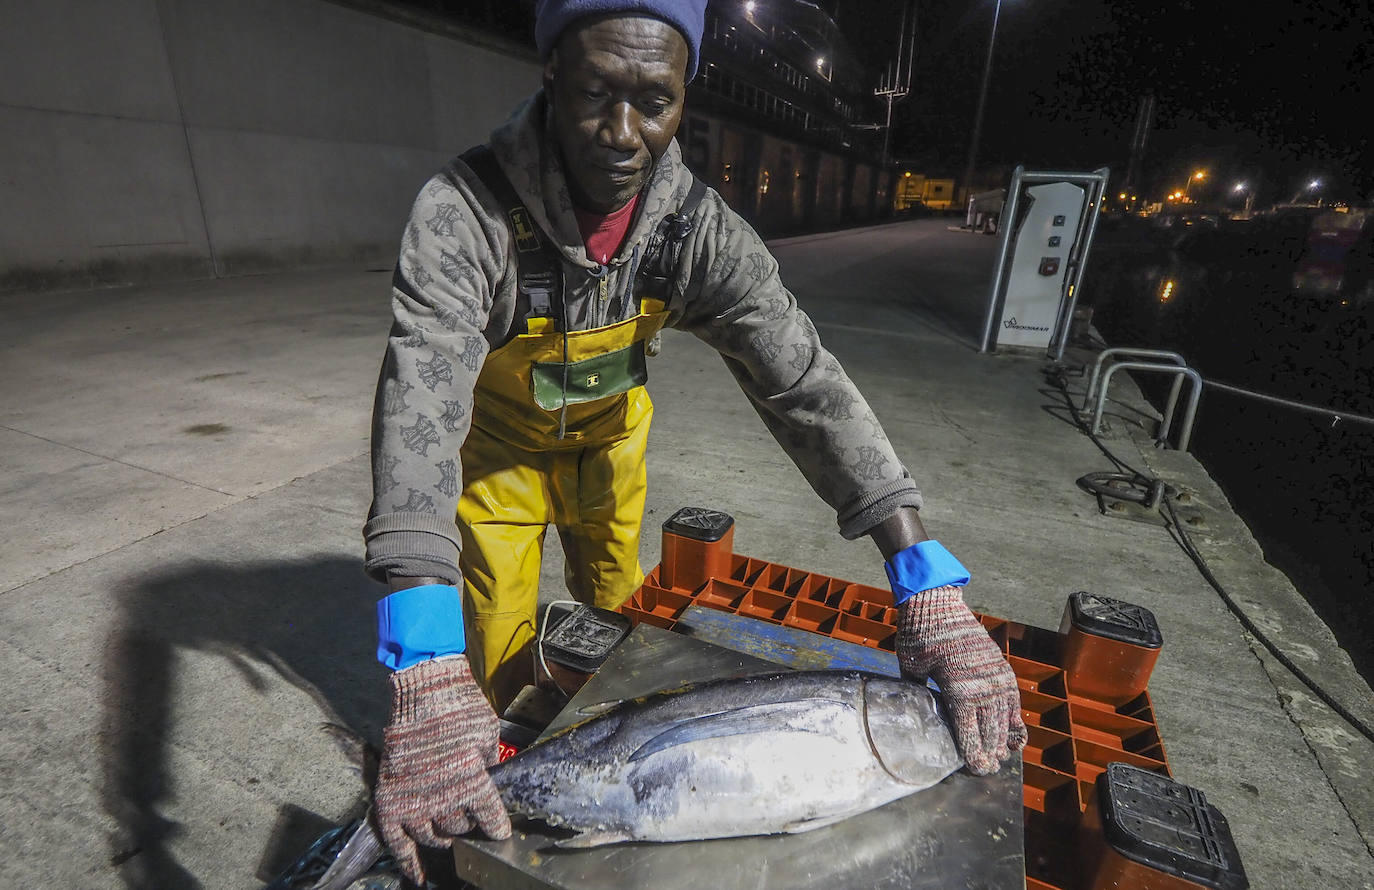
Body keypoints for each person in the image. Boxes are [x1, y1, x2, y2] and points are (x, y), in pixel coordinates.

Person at [362, 0, 1027, 882]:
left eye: (656, 100)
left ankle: (606, 771)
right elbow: (419, 414)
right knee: (489, 648)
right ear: (552, 73)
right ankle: (488, 789)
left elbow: (805, 384)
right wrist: (422, 659)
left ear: (685, 97)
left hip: (608, 452)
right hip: (497, 459)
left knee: (616, 625)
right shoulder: (464, 214)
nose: (623, 133)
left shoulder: (695, 233)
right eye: (598, 90)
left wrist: (923, 576)